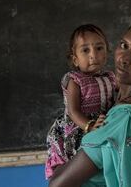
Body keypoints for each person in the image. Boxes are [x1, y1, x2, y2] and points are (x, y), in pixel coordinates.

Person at [48, 17, 131, 187]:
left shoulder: (124, 118)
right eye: (124, 46)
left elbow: (57, 184)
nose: (124, 58)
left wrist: (57, 170)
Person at [45, 24, 116, 179]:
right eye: (85, 50)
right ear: (75, 59)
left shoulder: (111, 78)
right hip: (80, 127)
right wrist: (89, 126)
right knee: (76, 171)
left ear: (106, 53)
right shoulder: (75, 80)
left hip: (102, 125)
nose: (93, 55)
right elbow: (73, 111)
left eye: (99, 48)